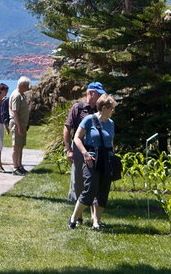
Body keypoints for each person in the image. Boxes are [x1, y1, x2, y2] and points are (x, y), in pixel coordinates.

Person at [68, 94, 118, 231]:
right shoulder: (89, 120)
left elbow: (111, 142)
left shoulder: (111, 123)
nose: (113, 111)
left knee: (103, 191)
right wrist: (85, 154)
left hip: (106, 158)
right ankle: (73, 218)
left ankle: (96, 221)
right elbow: (77, 138)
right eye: (111, 108)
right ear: (104, 108)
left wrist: (112, 158)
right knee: (90, 189)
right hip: (91, 158)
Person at [64, 81, 106, 203]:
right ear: (91, 93)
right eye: (99, 94)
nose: (101, 97)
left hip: (95, 148)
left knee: (94, 176)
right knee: (78, 178)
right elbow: (67, 128)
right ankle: (78, 210)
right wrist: (69, 150)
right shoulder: (78, 108)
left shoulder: (99, 109)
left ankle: (93, 206)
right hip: (78, 147)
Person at [9, 76, 31, 175]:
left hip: (22, 124)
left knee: (20, 146)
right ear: (22, 85)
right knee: (16, 146)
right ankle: (15, 167)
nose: (28, 87)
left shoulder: (21, 95)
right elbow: (15, 112)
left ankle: (19, 165)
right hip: (17, 124)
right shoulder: (16, 95)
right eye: (27, 85)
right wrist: (19, 126)